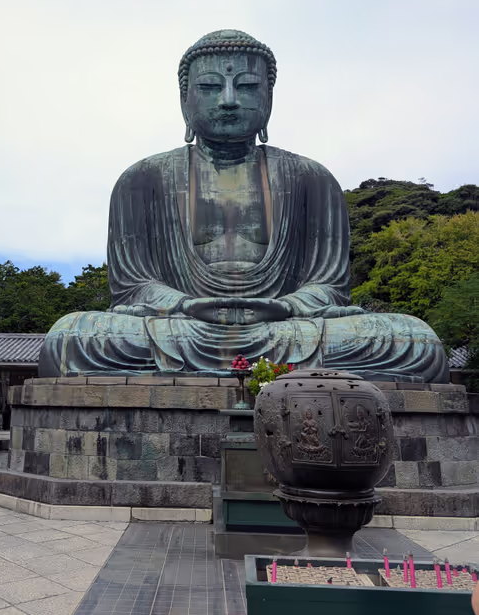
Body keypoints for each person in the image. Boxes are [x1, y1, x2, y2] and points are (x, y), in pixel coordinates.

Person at [38, 29, 449, 382]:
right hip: (183, 328)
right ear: (185, 100)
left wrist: (287, 306)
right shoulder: (142, 180)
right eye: (211, 87)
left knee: (415, 341)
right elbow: (133, 286)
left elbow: (329, 287)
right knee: (71, 338)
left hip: (287, 329)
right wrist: (182, 304)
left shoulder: (311, 178)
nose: (230, 100)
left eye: (248, 87)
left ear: (269, 98)